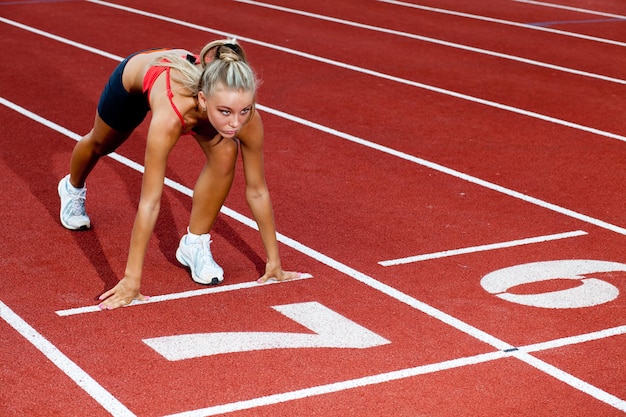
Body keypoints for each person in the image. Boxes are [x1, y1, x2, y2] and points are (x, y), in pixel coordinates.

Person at [58, 39, 300, 310]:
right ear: (203, 100)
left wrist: (274, 263)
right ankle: (72, 187)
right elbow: (150, 202)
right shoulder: (171, 116)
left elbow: (257, 189)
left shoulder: (245, 119)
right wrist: (131, 281)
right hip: (135, 83)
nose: (235, 123)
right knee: (102, 144)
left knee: (226, 152)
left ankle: (194, 242)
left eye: (243, 111)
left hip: (193, 101)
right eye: (226, 112)